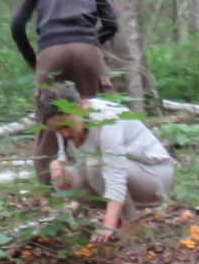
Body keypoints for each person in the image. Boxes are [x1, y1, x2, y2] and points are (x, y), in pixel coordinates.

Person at [11, 0, 119, 183]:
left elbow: (17, 25)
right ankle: (105, 183)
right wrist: (90, 43)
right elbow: (112, 23)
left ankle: (49, 193)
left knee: (47, 122)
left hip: (50, 51)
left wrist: (35, 61)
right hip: (87, 50)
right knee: (98, 115)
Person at [41, 86, 174, 245]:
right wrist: (57, 163)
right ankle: (118, 218)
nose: (65, 134)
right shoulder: (67, 125)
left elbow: (115, 175)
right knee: (63, 177)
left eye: (67, 126)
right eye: (58, 130)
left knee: (97, 165)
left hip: (153, 177)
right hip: (117, 176)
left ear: (80, 107)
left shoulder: (107, 118)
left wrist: (107, 225)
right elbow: (67, 156)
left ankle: (130, 221)